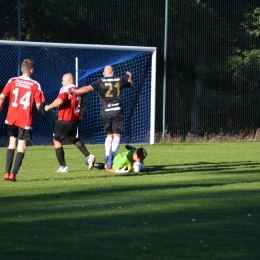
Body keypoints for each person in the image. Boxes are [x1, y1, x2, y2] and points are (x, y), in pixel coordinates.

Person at [70, 65, 133, 169]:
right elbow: (131, 85)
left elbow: (88, 88)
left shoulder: (100, 81)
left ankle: (107, 155)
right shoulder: (119, 80)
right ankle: (111, 156)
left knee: (109, 135)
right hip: (117, 111)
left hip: (106, 112)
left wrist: (75, 91)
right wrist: (129, 79)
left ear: (104, 73)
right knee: (116, 136)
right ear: (113, 72)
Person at [0, 59, 45, 182]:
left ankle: (6, 173)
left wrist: (1, 106)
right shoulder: (35, 85)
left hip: (12, 118)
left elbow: (2, 96)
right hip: (25, 120)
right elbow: (38, 104)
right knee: (21, 147)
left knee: (11, 144)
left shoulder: (13, 80)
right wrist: (40, 111)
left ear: (21, 69)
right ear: (32, 70)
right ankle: (14, 174)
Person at [44, 73, 95, 172]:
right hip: (75, 120)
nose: (62, 82)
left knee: (57, 140)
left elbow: (59, 101)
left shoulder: (66, 90)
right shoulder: (77, 90)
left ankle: (63, 167)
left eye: (63, 80)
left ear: (68, 80)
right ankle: (89, 156)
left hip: (65, 120)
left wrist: (49, 106)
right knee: (71, 138)